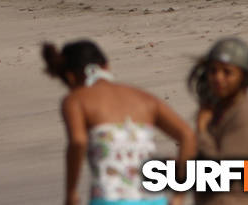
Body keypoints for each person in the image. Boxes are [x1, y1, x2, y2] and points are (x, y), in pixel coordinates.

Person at [43, 39, 195, 205]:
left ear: (70, 77)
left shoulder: (76, 100)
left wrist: (71, 192)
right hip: (154, 199)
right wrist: (179, 195)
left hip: (110, 198)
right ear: (106, 66)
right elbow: (187, 135)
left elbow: (78, 142)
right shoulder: (143, 98)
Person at [188, 38, 248, 204]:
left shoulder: (245, 115)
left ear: (243, 77)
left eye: (227, 72)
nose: (218, 78)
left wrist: (201, 130)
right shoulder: (220, 110)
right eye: (213, 71)